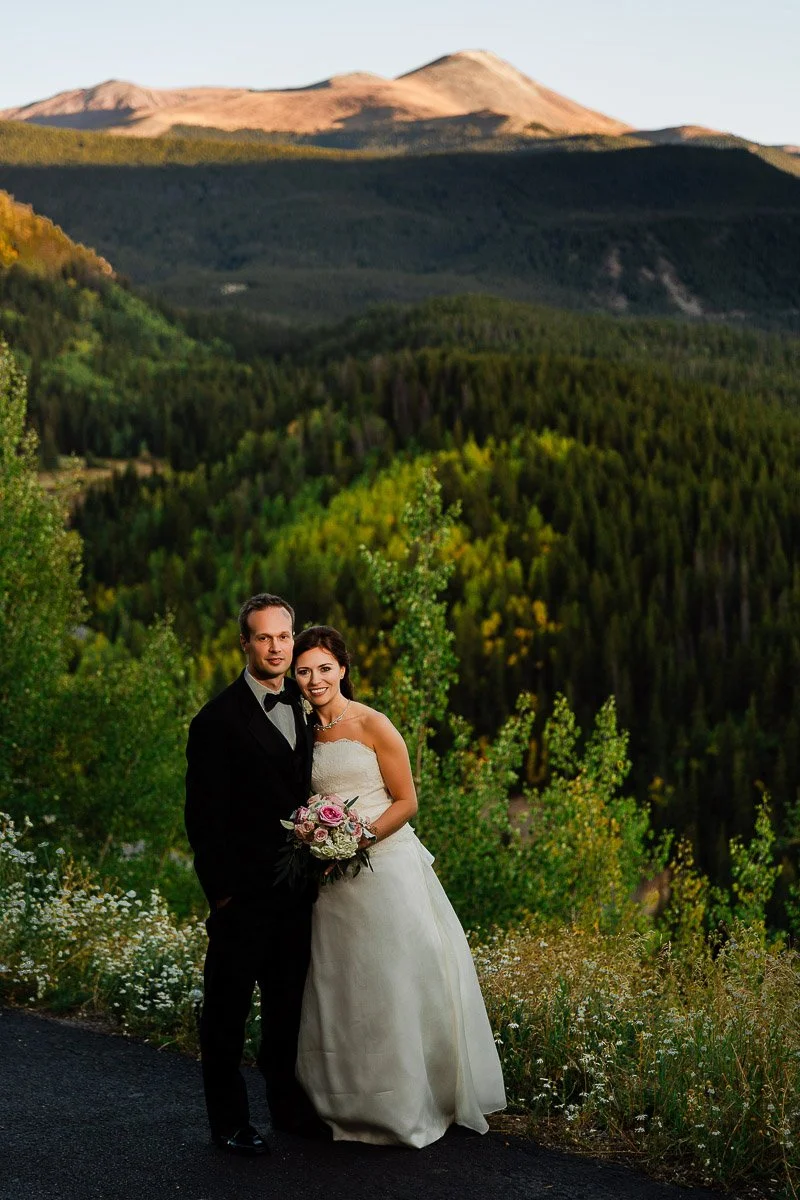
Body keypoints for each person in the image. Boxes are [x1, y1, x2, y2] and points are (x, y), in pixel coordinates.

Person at [292, 625, 506, 1148]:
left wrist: (354, 840)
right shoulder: (299, 732)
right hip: (330, 882)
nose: (314, 679)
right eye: (304, 670)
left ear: (342, 668)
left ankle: (411, 1102)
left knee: (394, 980)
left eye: (324, 668)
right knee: (341, 988)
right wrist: (317, 839)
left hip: (384, 868)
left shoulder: (373, 724)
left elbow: (407, 802)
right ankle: (345, 1103)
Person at [184, 593, 329, 1156]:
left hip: (299, 896)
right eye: (263, 637)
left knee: (288, 1010)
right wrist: (221, 895)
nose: (275, 647)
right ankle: (228, 1122)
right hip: (241, 897)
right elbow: (203, 818)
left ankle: (287, 1110)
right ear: (244, 643)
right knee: (225, 1013)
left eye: (284, 636)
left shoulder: (310, 702)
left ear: (295, 639)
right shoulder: (216, 721)